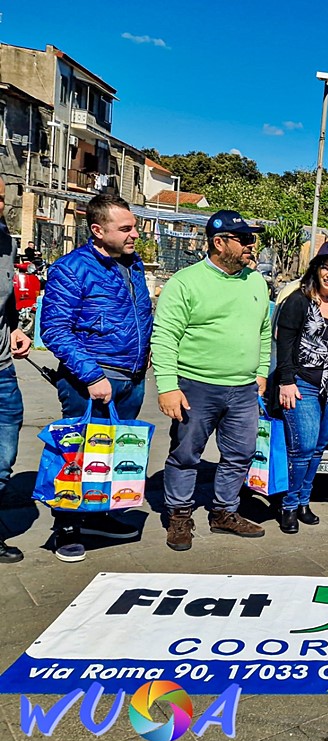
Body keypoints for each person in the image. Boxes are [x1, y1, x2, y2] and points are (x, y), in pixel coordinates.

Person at [40, 194, 153, 562]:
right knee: (77, 453)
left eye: (134, 226)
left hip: (131, 377)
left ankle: (99, 515)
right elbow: (55, 329)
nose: (135, 233)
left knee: (112, 454)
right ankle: (67, 526)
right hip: (92, 379)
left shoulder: (133, 264)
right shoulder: (72, 268)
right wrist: (91, 375)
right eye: (126, 228)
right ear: (98, 230)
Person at [152, 209, 271, 552]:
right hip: (196, 386)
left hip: (244, 388)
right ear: (219, 243)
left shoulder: (256, 282)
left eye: (251, 238)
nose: (251, 245)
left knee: (241, 454)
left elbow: (263, 331)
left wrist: (261, 371)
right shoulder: (185, 283)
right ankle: (178, 516)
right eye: (244, 239)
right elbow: (164, 337)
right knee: (185, 454)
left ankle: (224, 513)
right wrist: (167, 386)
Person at [274, 241, 328, 534]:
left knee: (319, 448)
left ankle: (304, 502)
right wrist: (285, 381)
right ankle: (288, 505)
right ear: (316, 269)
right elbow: (284, 343)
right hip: (303, 384)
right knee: (303, 447)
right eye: (326, 267)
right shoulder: (299, 300)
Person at [0, 178, 30, 563]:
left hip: (2, 367)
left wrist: (15, 328)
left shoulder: (5, 239)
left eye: (1, 198)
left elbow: (5, 297)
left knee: (3, 457)